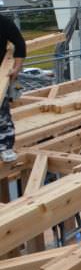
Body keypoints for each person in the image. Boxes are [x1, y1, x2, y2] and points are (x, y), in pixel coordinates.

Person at [0, 15, 26, 163]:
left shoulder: (4, 23)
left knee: (1, 113)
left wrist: (16, 68)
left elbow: (20, 44)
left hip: (0, 74)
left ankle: (5, 147)